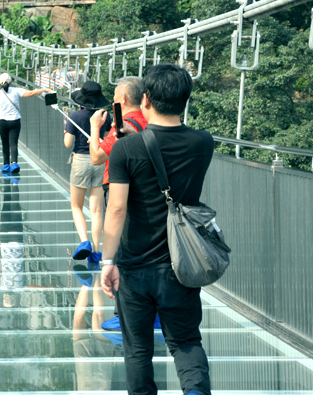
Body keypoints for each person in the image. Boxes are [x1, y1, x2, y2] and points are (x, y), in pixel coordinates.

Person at [100, 64, 214, 395]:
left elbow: (117, 208)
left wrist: (107, 261)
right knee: (186, 342)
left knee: (137, 349)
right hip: (181, 263)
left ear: (146, 100)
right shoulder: (203, 143)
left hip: (134, 264)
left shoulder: (125, 148)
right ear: (185, 99)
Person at [88, 76, 150, 332]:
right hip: (147, 191)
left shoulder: (124, 125)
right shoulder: (151, 122)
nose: (113, 101)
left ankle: (123, 313)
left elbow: (96, 157)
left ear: (123, 99)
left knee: (122, 249)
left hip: (118, 188)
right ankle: (153, 312)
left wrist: (94, 128)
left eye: (114, 97)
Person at [63, 80, 112, 263]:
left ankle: (84, 241)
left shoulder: (75, 116)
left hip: (81, 162)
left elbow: (68, 143)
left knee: (76, 205)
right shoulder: (105, 116)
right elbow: (106, 141)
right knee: (97, 209)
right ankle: (96, 250)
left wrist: (66, 130)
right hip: (99, 161)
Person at [0, 72, 53, 174]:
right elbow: (31, 93)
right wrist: (44, 89)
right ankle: (14, 163)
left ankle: (6, 165)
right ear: (10, 82)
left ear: (0, 82)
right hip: (15, 121)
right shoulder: (16, 91)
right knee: (13, 143)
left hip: (2, 121)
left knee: (5, 143)